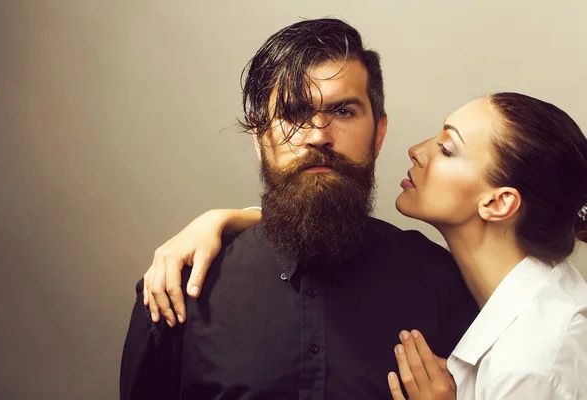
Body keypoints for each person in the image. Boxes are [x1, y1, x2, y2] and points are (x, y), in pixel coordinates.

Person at [120, 18, 478, 400]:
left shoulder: (441, 284)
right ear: (259, 136)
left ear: (379, 134)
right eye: (293, 112)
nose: (319, 135)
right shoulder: (179, 290)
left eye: (343, 112)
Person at [143, 92, 587, 399]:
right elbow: (312, 209)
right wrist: (225, 219)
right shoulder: (527, 298)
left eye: (447, 148)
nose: (416, 149)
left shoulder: (531, 363)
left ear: (499, 202)